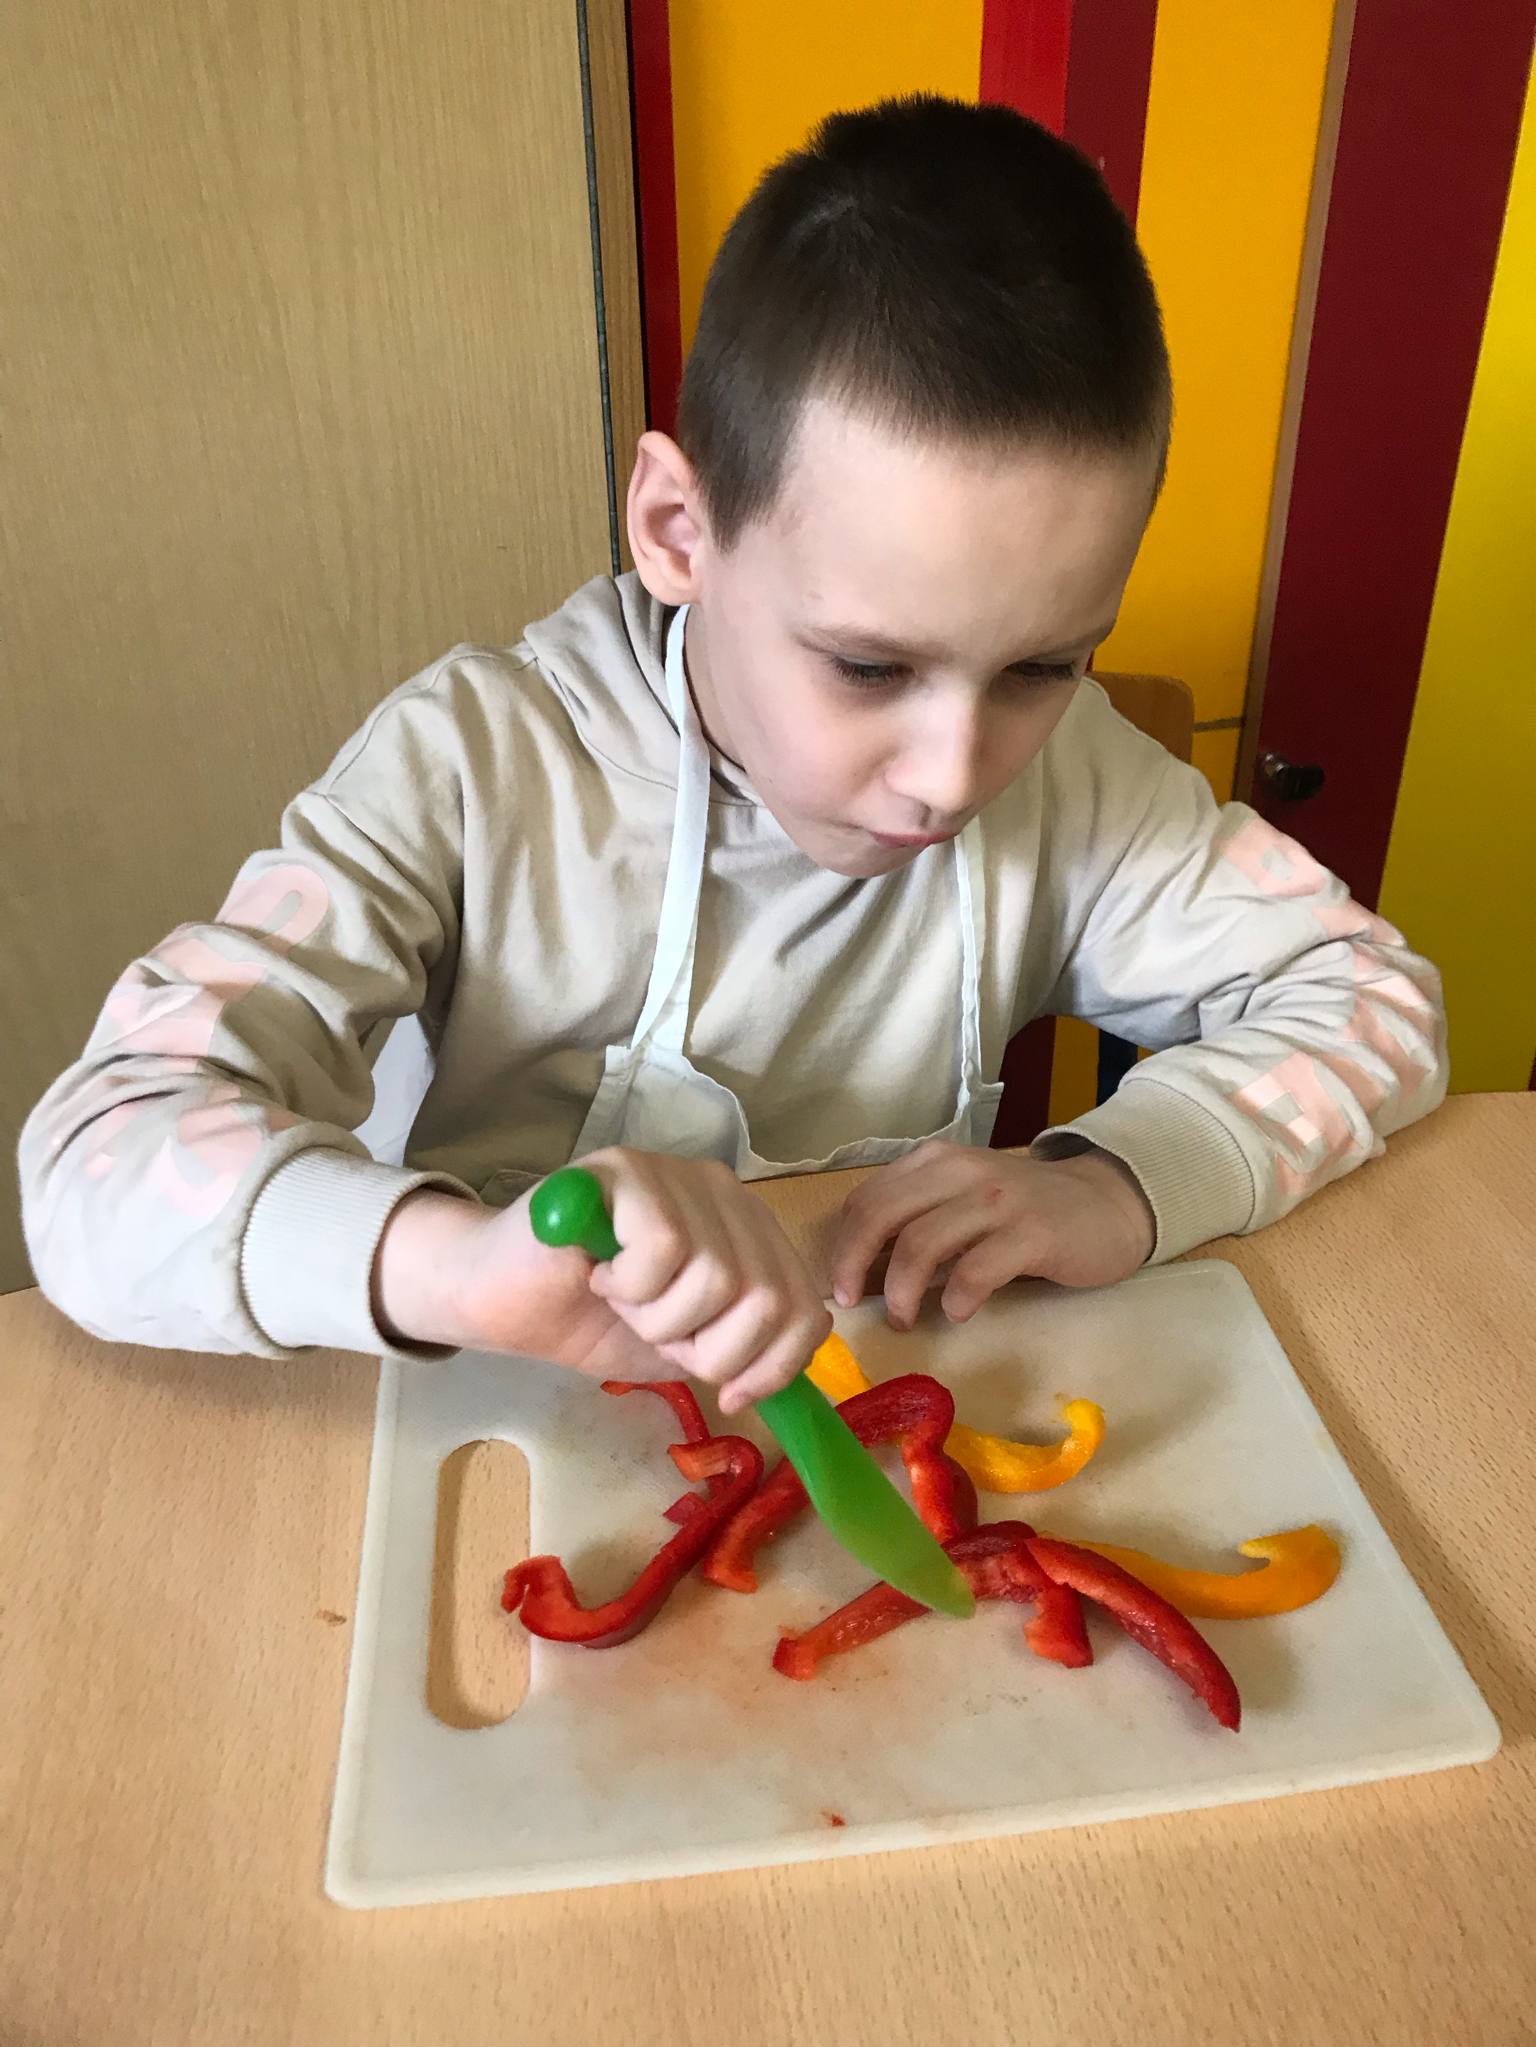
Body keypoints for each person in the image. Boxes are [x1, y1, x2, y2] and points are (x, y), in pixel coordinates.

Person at [19, 96, 1446, 1417]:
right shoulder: (471, 769)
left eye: (1041, 667)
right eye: (869, 668)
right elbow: (98, 1154)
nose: (951, 776)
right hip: (506, 1433)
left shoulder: (1082, 783)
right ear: (676, 531)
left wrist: (1122, 1178)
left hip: (879, 1402)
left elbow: (1373, 998)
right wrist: (446, 1265)